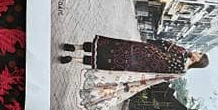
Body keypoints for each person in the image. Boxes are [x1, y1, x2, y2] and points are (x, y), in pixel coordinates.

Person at [59, 37, 208, 73]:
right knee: (109, 60)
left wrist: (151, 43)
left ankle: (75, 49)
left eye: (200, 54)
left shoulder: (182, 52)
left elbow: (163, 44)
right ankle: (73, 59)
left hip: (141, 51)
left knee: (110, 48)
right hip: (138, 65)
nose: (197, 52)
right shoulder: (181, 71)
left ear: (198, 60)